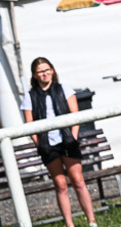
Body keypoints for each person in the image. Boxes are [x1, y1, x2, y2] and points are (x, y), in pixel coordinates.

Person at [21, 58, 97, 227]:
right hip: (48, 144)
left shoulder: (65, 89)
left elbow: (75, 116)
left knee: (78, 181)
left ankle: (91, 221)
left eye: (47, 70)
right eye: (41, 71)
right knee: (60, 184)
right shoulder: (30, 97)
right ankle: (69, 224)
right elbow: (29, 125)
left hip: (67, 140)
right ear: (35, 75)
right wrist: (39, 143)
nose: (45, 74)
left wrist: (74, 137)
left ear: (52, 70)